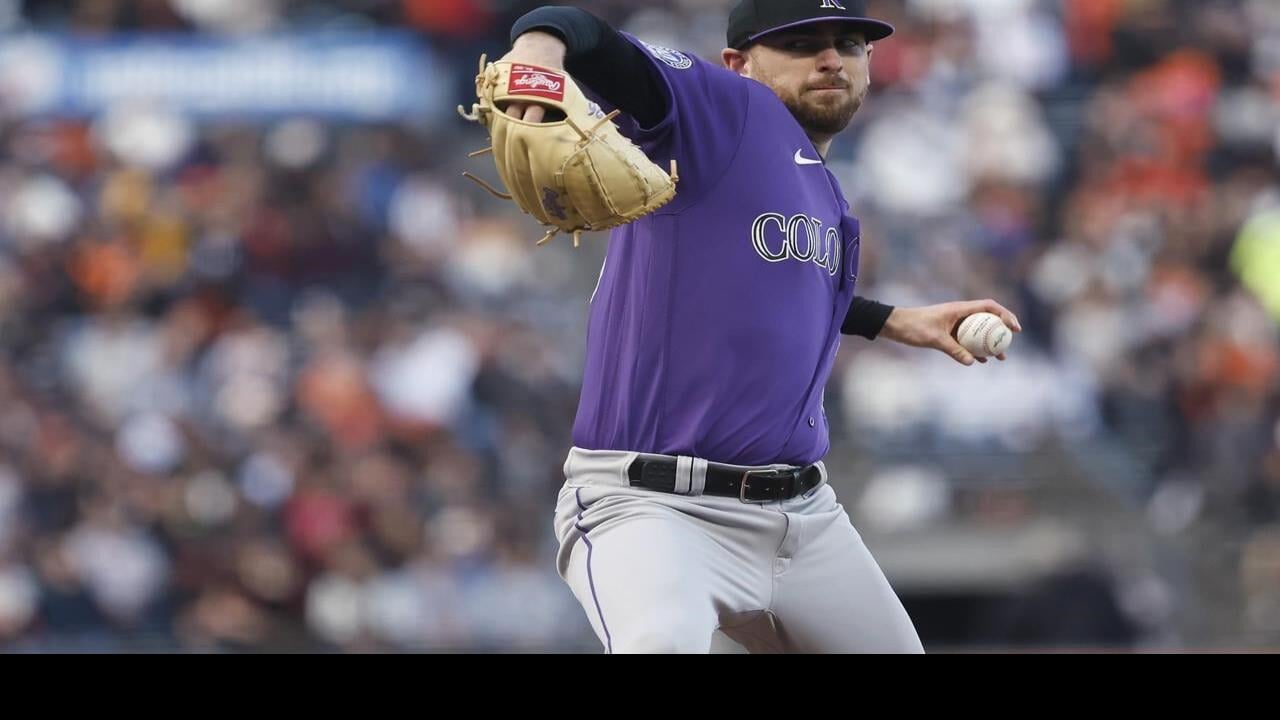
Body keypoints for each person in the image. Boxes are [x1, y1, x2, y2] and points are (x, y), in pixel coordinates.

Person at [495, 0, 1021, 653]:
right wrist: (540, 52)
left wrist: (891, 321)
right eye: (802, 43)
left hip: (803, 519)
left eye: (847, 43)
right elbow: (579, 31)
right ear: (739, 64)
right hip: (656, 508)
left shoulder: (821, 190)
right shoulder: (725, 112)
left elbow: (783, 286)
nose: (831, 57)